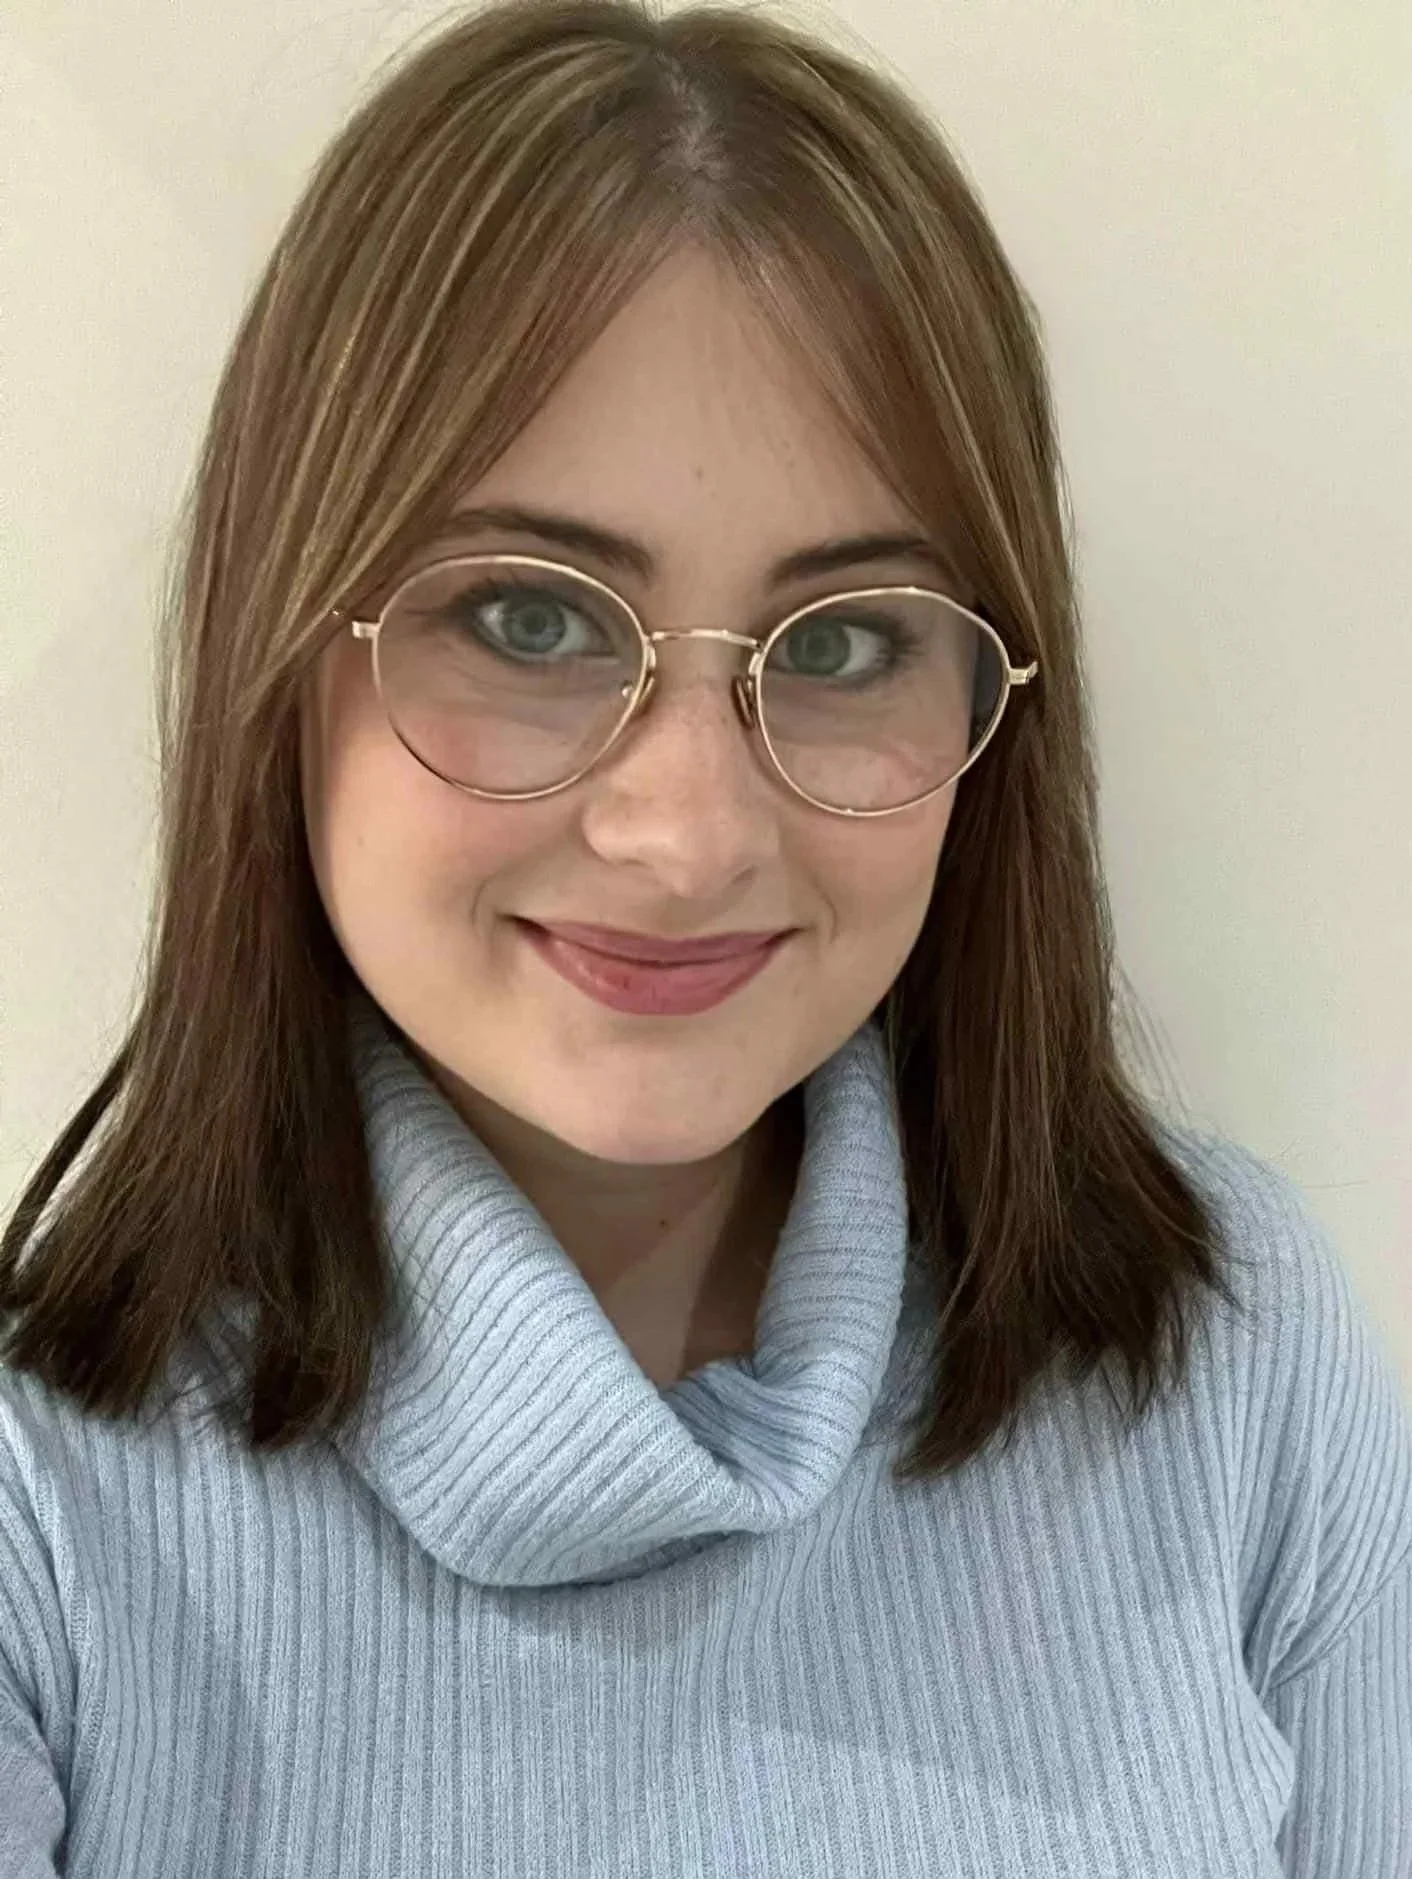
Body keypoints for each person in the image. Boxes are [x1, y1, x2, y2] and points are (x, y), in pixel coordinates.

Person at [2, 1, 1408, 1873]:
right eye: (525, 618)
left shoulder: (1226, 1354)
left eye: (840, 645)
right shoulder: (43, 1518)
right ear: (288, 650)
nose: (686, 835)